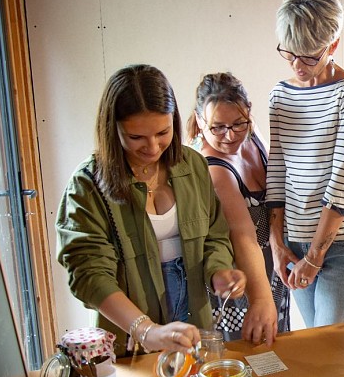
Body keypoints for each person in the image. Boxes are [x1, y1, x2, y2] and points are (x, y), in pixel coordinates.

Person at [56, 64, 246, 357]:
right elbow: (89, 274)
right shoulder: (87, 185)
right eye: (136, 137)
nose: (153, 146)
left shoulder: (192, 165)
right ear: (112, 128)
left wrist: (218, 271)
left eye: (163, 132)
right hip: (129, 326)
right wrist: (145, 330)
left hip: (194, 316)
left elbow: (214, 235)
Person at [268, 0, 344, 327]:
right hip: (293, 242)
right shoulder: (280, 95)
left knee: (332, 349)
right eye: (290, 54)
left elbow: (342, 182)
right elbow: (277, 174)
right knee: (314, 346)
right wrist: (276, 244)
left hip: (339, 247)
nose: (298, 65)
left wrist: (315, 257)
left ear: (333, 45)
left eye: (310, 56)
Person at [188, 72, 289, 343]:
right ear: (199, 121)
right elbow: (243, 235)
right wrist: (261, 297)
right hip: (241, 281)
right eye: (217, 127)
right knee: (248, 358)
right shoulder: (214, 168)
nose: (230, 135)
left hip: (272, 273)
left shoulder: (252, 138)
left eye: (238, 123)